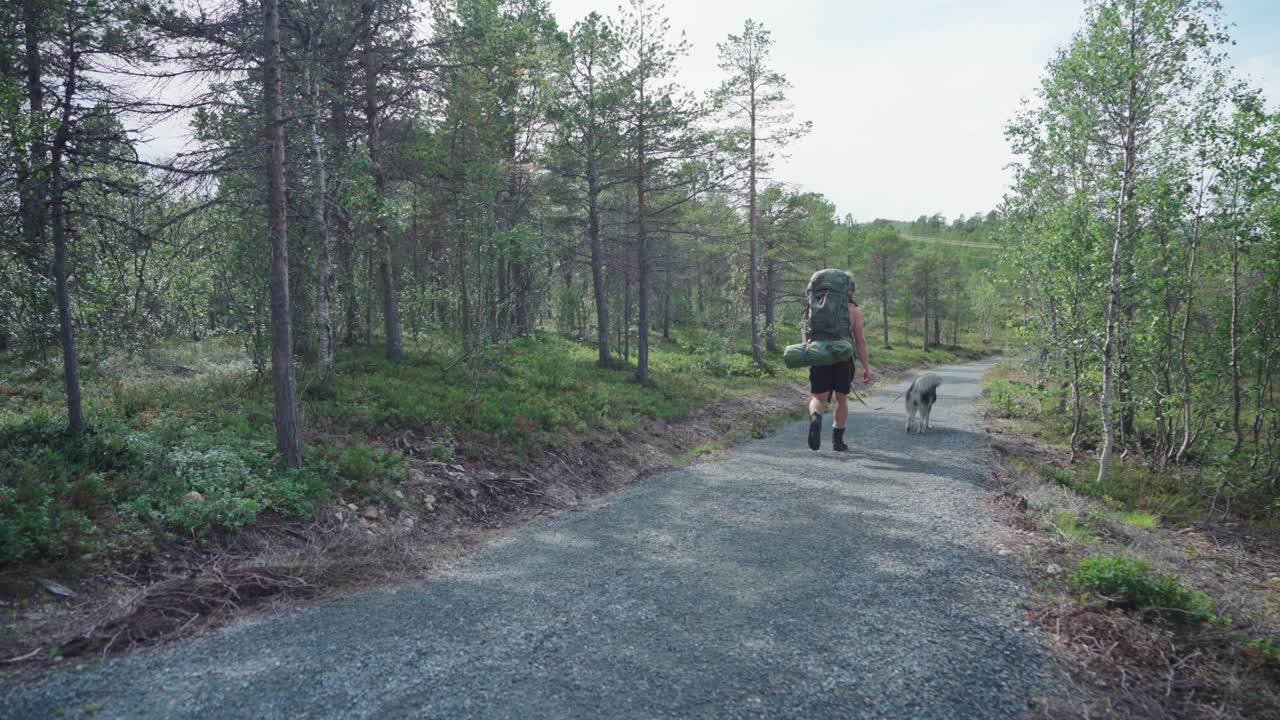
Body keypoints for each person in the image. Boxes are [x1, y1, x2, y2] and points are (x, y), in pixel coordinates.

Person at [808, 273, 872, 451]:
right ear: (850, 291)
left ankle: (815, 418)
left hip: (820, 354)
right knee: (841, 399)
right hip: (843, 358)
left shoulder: (816, 304)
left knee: (818, 398)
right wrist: (866, 367)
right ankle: (838, 441)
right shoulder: (854, 310)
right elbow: (860, 341)